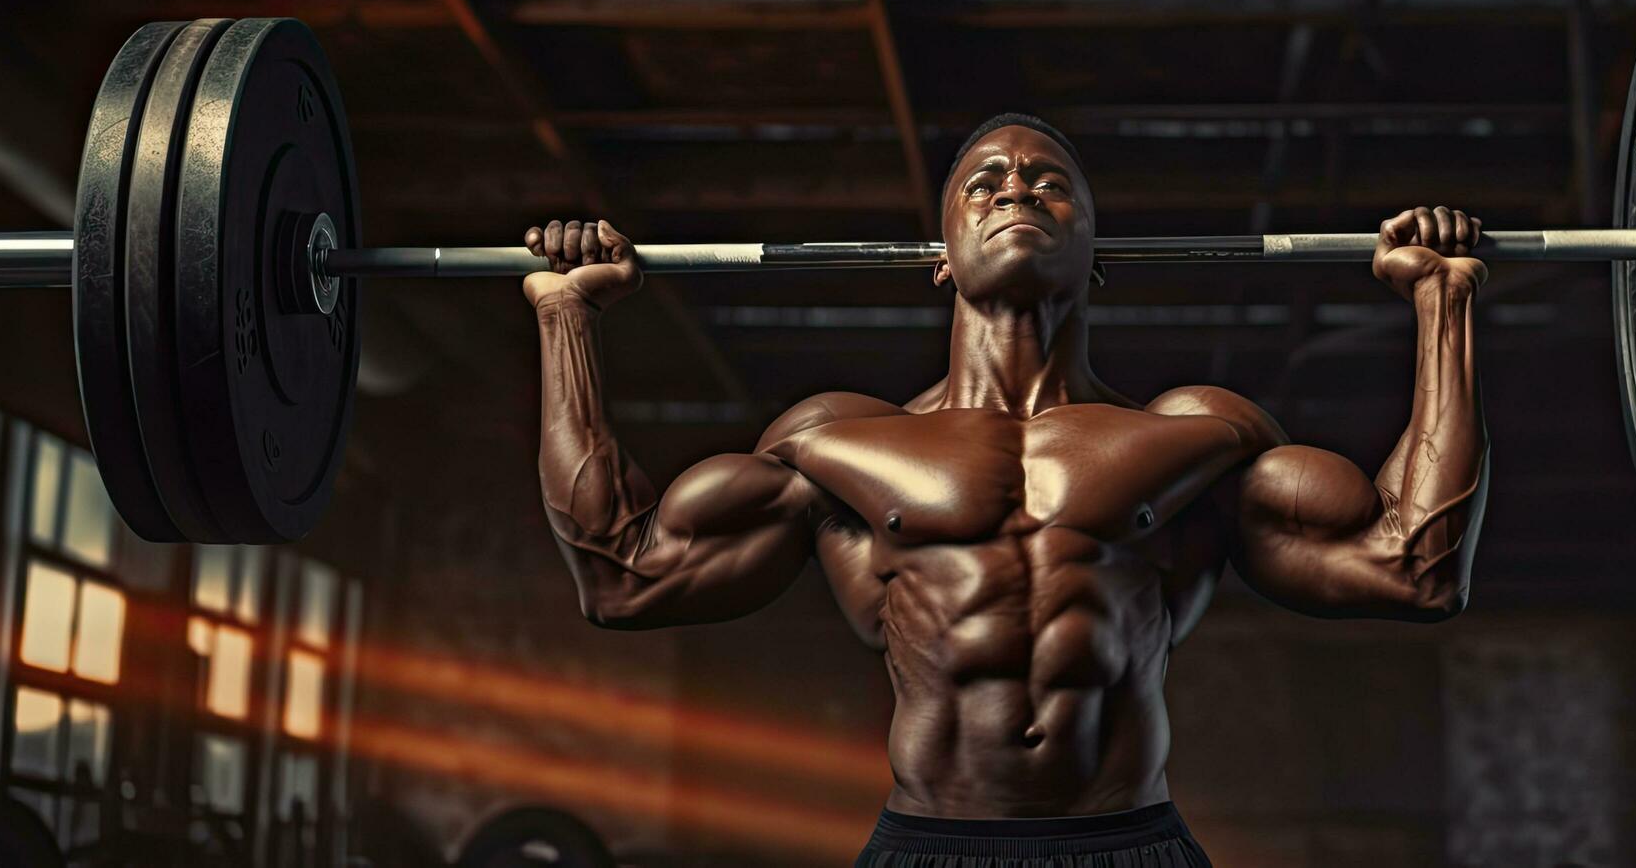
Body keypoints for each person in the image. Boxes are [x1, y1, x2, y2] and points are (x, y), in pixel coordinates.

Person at [522, 114, 1489, 867]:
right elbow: (624, 578)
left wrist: (1442, 299)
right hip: (929, 846)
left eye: (1049, 184)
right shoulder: (838, 442)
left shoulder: (1196, 437)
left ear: (1097, 258)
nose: (1015, 188)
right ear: (941, 259)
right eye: (984, 182)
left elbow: (1413, 568)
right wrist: (565, 319)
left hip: (1128, 846)